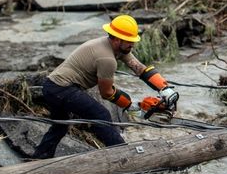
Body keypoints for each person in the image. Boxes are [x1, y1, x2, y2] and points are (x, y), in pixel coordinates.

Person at [32, 14, 179, 159]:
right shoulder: (107, 59)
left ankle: (39, 157)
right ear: (116, 39)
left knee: (60, 125)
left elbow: (138, 68)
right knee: (101, 116)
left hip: (52, 86)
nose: (132, 44)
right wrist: (131, 105)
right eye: (129, 41)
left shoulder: (116, 47)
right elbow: (106, 92)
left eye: (133, 41)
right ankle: (124, 157)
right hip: (62, 89)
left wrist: (164, 88)